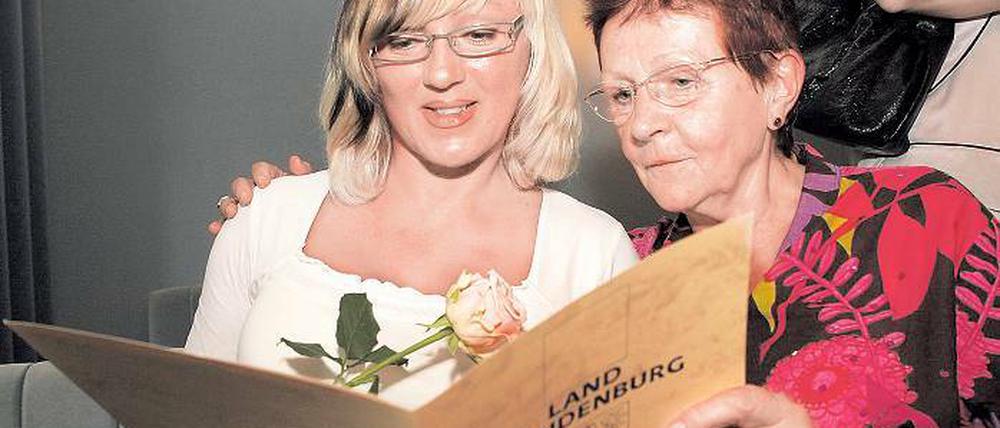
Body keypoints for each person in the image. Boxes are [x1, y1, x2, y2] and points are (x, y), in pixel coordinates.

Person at [213, 0, 1000, 426]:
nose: (644, 122)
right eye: (621, 95)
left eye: (681, 82)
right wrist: (278, 214)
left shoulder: (924, 219)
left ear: (777, 84)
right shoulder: (626, 270)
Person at [185, 0, 638, 411]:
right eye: (403, 41)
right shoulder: (267, 217)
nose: (441, 74)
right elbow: (182, 412)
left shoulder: (592, 253)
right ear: (365, 64)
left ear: (533, 51)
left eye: (478, 36)